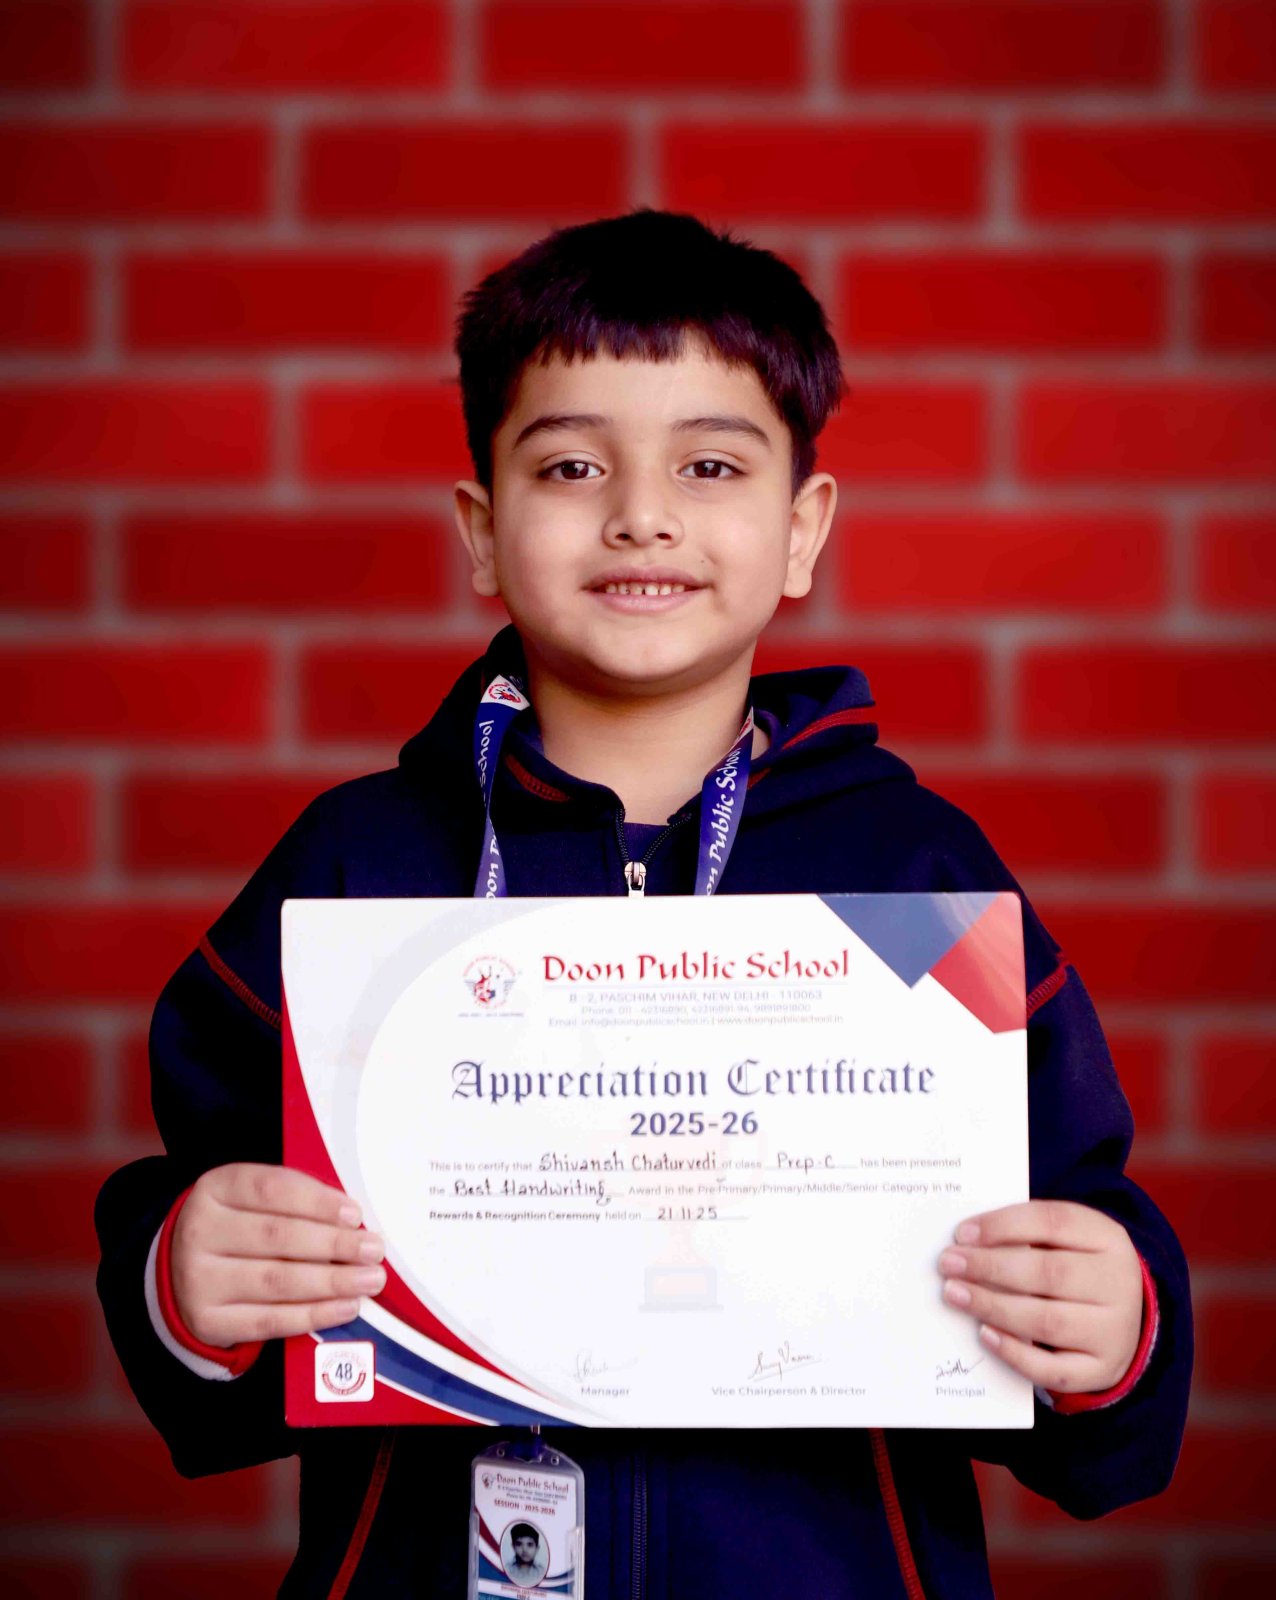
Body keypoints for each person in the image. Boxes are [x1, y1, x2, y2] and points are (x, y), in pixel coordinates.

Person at [96, 208, 1192, 1599]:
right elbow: (206, 1229)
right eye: (571, 465)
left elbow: (1077, 1228)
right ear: (482, 532)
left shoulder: (916, 883)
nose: (641, 513)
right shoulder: (356, 868)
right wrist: (186, 1285)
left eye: (710, 464)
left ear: (802, 530)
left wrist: (1114, 1324)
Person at [505, 1523, 546, 1587]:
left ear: (537, 1548)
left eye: (530, 1545)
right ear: (513, 1546)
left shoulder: (542, 1572)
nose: (524, 1549)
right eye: (519, 1544)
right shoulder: (506, 1569)